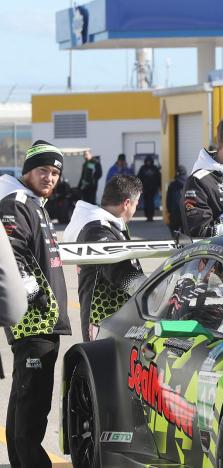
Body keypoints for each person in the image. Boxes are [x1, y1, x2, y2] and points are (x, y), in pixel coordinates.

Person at [0, 140, 69, 468]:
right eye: (43, 170)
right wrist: (39, 298)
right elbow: (14, 255)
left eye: (55, 172)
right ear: (27, 170)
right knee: (32, 407)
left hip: (41, 318)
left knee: (25, 401)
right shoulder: (14, 201)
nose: (50, 177)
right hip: (34, 320)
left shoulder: (32, 202)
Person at [64, 175, 146, 341]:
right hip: (103, 324)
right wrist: (155, 292)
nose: (135, 210)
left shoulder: (109, 225)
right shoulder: (97, 230)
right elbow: (121, 272)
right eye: (136, 204)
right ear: (127, 203)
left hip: (118, 321)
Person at [136, 156, 162, 222]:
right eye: (147, 161)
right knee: (146, 203)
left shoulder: (155, 168)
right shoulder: (143, 168)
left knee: (151, 203)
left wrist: (160, 187)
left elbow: (159, 178)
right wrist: (138, 187)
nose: (148, 162)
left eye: (149, 161)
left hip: (153, 189)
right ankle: (148, 216)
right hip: (145, 189)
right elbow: (139, 178)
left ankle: (150, 216)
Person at [165, 165, 187, 237]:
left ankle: (176, 240)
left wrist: (168, 210)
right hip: (187, 211)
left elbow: (169, 199)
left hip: (175, 212)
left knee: (173, 228)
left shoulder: (172, 185)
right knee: (185, 229)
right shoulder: (190, 183)